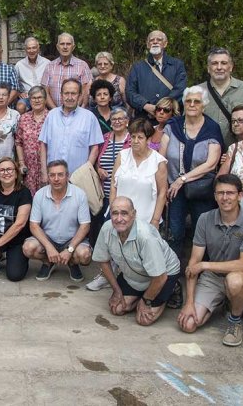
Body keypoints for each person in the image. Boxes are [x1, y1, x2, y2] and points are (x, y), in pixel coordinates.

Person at [177, 174, 243, 347]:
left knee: (235, 280)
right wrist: (189, 303)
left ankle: (234, 321)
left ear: (240, 195)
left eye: (230, 193)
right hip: (213, 278)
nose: (225, 198)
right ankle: (222, 301)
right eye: (220, 193)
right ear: (215, 196)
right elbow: (193, 264)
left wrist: (204, 265)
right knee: (188, 324)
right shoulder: (205, 219)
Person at [91, 118, 169, 292]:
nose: (135, 141)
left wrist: (155, 220)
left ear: (149, 139)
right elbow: (114, 184)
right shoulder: (122, 155)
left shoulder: (159, 162)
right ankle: (106, 277)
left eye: (140, 137)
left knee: (141, 255)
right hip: (119, 214)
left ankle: (143, 286)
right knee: (113, 248)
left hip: (145, 216)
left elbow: (162, 192)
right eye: (133, 137)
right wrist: (112, 209)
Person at [92, 197, 181, 326]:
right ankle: (142, 294)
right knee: (117, 309)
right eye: (115, 213)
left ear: (133, 214)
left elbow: (160, 277)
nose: (119, 218)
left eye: (124, 213)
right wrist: (116, 290)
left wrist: (146, 300)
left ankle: (172, 288)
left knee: (144, 320)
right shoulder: (107, 228)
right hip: (134, 274)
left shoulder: (145, 236)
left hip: (162, 275)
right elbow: (103, 261)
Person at [159, 86, 222, 260]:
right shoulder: (173, 126)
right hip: (173, 190)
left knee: (201, 233)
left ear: (204, 105)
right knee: (175, 232)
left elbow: (211, 163)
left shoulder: (212, 128)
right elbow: (161, 159)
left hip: (201, 189)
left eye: (197, 101)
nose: (192, 104)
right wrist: (164, 186)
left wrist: (183, 179)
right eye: (188, 101)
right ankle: (173, 277)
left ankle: (200, 274)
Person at [23, 160, 92, 282]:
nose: (56, 179)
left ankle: (71, 263)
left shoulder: (79, 194)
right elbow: (34, 225)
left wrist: (70, 249)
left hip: (72, 240)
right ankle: (48, 262)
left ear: (67, 175)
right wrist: (49, 247)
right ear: (48, 177)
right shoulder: (40, 195)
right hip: (48, 238)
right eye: (52, 175)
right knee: (28, 248)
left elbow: (85, 226)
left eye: (60, 174)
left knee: (85, 255)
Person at [38, 78, 104, 177]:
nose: (70, 97)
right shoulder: (51, 115)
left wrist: (87, 173)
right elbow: (43, 144)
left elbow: (95, 148)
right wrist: (43, 172)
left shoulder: (89, 117)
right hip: (54, 176)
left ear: (80, 95)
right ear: (61, 95)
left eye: (73, 93)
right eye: (66, 93)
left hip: (79, 178)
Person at [0, 157, 32, 280]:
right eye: (2, 170)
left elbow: (20, 223)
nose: (6, 173)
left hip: (16, 240)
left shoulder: (24, 192)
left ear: (16, 173)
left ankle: (13, 257)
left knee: (15, 275)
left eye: (9, 169)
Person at [199, 48, 243, 148]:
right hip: (205, 154)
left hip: (239, 153)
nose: (219, 67)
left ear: (231, 67)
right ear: (208, 68)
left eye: (224, 63)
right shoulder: (197, 92)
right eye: (214, 63)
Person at [125, 30, 187, 119]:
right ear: (147, 44)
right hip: (144, 120)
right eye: (151, 40)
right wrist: (145, 105)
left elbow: (180, 89)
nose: (155, 42)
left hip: (170, 119)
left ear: (165, 44)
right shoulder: (137, 67)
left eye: (159, 40)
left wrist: (162, 108)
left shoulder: (177, 65)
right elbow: (130, 92)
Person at [92, 106, 131, 243]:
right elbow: (97, 160)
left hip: (126, 192)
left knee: (123, 228)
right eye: (114, 119)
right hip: (106, 193)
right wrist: (98, 169)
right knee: (108, 228)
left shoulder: (133, 139)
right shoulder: (105, 138)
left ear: (127, 121)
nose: (117, 121)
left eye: (121, 118)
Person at [40, 33, 92, 108]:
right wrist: (56, 112)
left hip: (77, 112)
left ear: (73, 47)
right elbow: (46, 92)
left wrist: (75, 109)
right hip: (54, 112)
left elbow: (85, 91)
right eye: (62, 44)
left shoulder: (83, 66)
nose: (65, 47)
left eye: (68, 44)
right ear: (57, 47)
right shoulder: (49, 66)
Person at [15, 86, 49, 195]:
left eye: (40, 97)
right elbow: (18, 142)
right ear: (29, 101)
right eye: (33, 98)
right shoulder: (24, 118)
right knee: (29, 198)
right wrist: (21, 163)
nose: (37, 100)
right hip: (28, 168)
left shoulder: (52, 117)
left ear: (45, 99)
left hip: (47, 167)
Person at [14, 37, 51, 103]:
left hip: (43, 97)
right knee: (20, 106)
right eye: (29, 48)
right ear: (25, 50)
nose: (31, 51)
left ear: (38, 48)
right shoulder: (19, 65)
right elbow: (14, 84)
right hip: (27, 97)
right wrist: (19, 93)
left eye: (34, 48)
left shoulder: (47, 63)